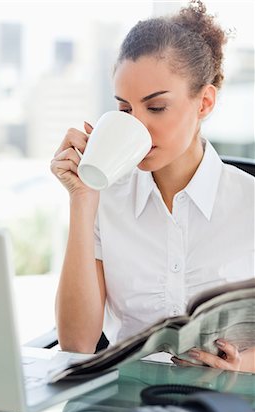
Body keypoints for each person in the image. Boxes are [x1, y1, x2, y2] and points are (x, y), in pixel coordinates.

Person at [50, 0, 255, 372]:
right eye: (126, 110)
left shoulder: (249, 204)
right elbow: (76, 344)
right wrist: (83, 200)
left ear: (204, 102)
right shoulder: (105, 201)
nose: (138, 125)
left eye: (156, 107)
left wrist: (243, 365)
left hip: (230, 405)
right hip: (123, 407)